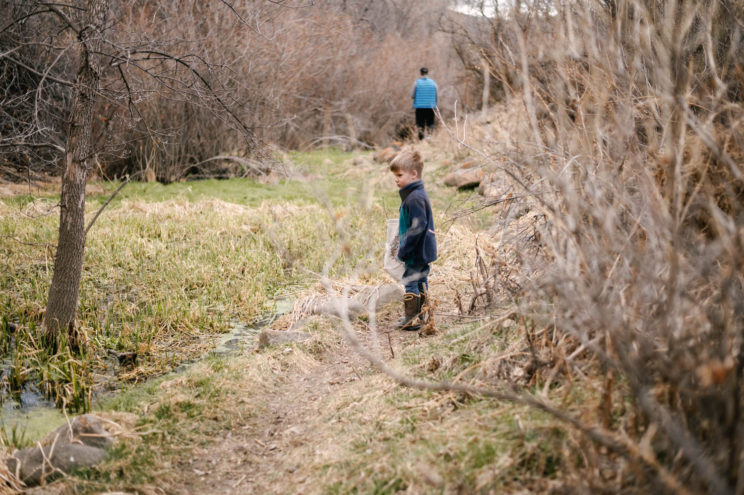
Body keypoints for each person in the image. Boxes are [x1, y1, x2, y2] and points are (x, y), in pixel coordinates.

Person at [389, 148, 437, 331]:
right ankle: (423, 312)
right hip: (424, 249)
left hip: (416, 251)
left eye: (400, 175)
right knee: (421, 278)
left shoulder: (414, 198)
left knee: (410, 280)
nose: (396, 179)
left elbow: (417, 226)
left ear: (414, 174)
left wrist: (404, 249)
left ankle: (412, 318)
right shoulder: (416, 194)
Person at [411, 67, 438, 140]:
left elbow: (412, 95)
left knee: (420, 123)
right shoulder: (433, 83)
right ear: (427, 73)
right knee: (430, 123)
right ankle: (430, 137)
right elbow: (436, 95)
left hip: (419, 107)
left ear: (420, 73)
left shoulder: (416, 82)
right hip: (431, 106)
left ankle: (421, 139)